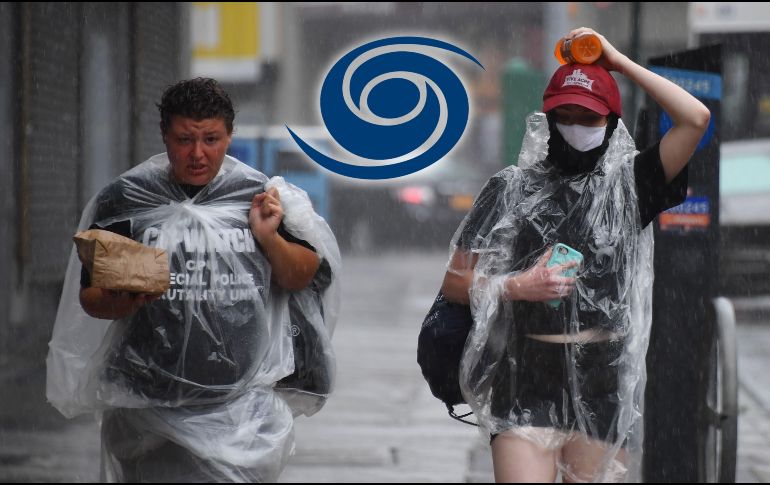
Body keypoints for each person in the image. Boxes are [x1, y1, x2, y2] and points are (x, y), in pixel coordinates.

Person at [440, 28, 710, 482]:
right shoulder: (511, 188)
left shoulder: (631, 186)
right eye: (564, 115)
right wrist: (515, 286)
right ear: (547, 118)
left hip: (602, 381)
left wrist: (619, 62)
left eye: (589, 118)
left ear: (610, 121)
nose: (576, 127)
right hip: (524, 377)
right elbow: (453, 282)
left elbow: (696, 119)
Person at [46, 78, 341, 482]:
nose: (198, 153)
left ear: (229, 136)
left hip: (239, 405)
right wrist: (125, 299)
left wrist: (269, 236)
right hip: (147, 403)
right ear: (164, 136)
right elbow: (91, 296)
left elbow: (301, 276)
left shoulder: (258, 196)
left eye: (211, 139)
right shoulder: (128, 199)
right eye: (185, 139)